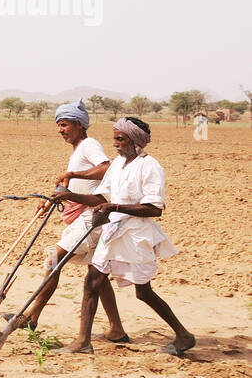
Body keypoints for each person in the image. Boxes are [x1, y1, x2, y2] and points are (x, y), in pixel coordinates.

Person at [51, 117, 195, 355]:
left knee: (143, 292)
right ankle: (83, 341)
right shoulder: (118, 164)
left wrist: (116, 208)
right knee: (92, 281)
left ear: (135, 140)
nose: (115, 144)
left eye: (120, 139)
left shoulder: (150, 166)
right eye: (114, 138)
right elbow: (101, 199)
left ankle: (183, 335)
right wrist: (70, 195)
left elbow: (154, 209)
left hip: (135, 235)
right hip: (113, 231)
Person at [16, 99, 127, 341]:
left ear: (78, 125)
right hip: (89, 216)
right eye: (58, 125)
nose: (60, 130)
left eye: (64, 124)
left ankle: (32, 317)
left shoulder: (89, 145)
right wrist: (48, 201)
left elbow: (106, 168)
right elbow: (68, 185)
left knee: (53, 259)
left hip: (93, 216)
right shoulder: (78, 150)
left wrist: (74, 173)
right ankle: (116, 329)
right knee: (97, 275)